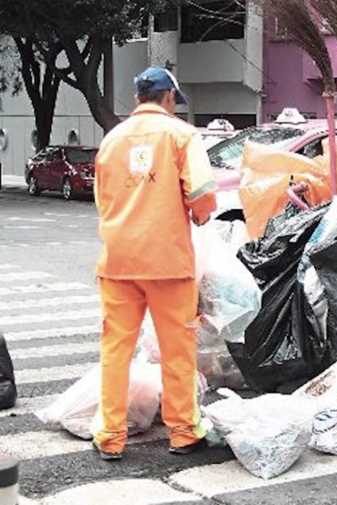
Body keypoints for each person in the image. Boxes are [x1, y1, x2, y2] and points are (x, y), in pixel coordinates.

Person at [92, 67, 217, 461]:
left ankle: (110, 436)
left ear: (137, 99)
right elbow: (201, 197)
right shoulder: (182, 136)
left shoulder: (112, 140)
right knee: (177, 350)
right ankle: (182, 433)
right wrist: (199, 215)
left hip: (118, 261)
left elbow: (102, 200)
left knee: (116, 349)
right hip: (167, 263)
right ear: (168, 99)